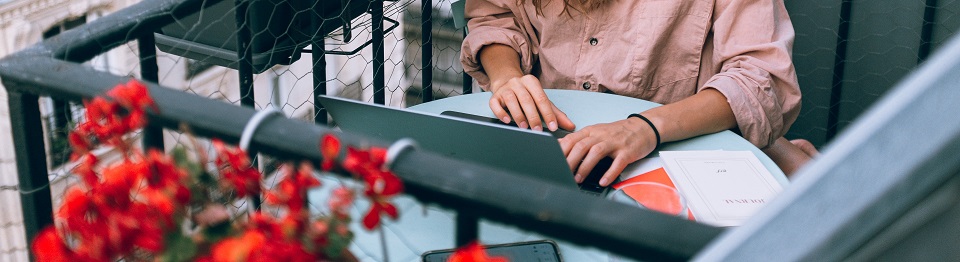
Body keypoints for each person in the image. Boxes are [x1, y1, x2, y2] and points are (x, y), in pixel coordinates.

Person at [460, 0, 816, 185]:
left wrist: (641, 128)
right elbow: (495, 16)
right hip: (552, 142)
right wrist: (506, 76)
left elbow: (760, 79)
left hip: (684, 146)